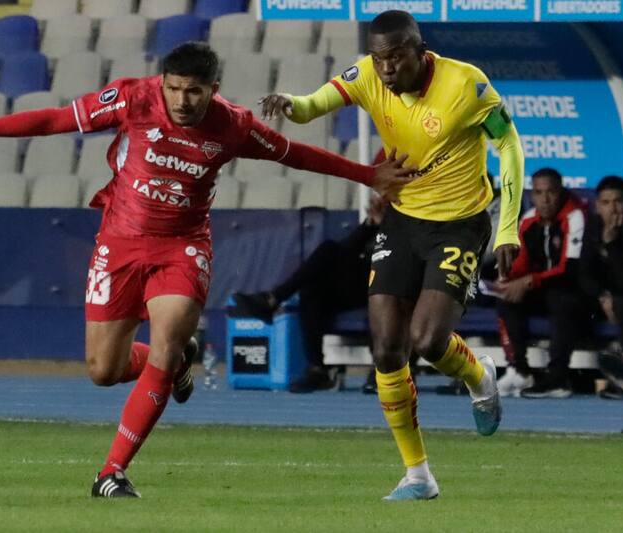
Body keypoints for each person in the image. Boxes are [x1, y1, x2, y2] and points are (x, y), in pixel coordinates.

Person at [0, 42, 416, 499]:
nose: (183, 100)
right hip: (118, 245)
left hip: (181, 249)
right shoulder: (131, 99)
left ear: (214, 88)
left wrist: (368, 174)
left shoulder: (234, 126)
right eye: (174, 88)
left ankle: (111, 472)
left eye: (195, 91)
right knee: (104, 370)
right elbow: (58, 119)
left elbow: (297, 155)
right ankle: (179, 363)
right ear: (162, 83)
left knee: (167, 335)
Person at [260, 10, 524, 500]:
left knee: (427, 339)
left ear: (419, 51)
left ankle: (478, 375)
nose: (385, 68)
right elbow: (313, 104)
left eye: (396, 56)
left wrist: (507, 225)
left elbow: (508, 145)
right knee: (385, 348)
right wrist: (288, 103)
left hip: (460, 224)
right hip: (403, 222)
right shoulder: (366, 75)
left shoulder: (467, 85)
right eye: (379, 57)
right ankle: (417, 475)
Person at [231, 193, 385, 394]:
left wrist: (385, 225)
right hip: (362, 283)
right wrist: (372, 223)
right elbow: (348, 248)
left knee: (328, 250)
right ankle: (317, 369)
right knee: (313, 288)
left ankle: (273, 299)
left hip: (390, 280)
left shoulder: (412, 218)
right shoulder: (376, 224)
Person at [495, 168, 587, 399]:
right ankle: (519, 368)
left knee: (561, 299)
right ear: (531, 194)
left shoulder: (575, 216)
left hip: (577, 292)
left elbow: (570, 270)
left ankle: (558, 377)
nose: (545, 199)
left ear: (561, 191)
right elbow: (521, 265)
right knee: (508, 299)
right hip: (543, 289)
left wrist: (528, 281)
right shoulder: (528, 221)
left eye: (551, 192)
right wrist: (506, 280)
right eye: (539, 193)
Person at [579, 176, 623, 431]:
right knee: (566, 301)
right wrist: (602, 296)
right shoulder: (592, 227)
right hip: (602, 300)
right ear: (597, 205)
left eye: (619, 201)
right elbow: (584, 273)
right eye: (606, 202)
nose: (613, 209)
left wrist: (613, 242)